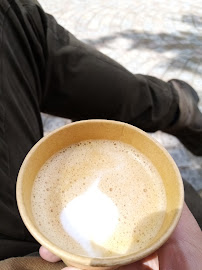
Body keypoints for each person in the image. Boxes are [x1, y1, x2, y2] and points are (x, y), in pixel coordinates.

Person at [0, 0, 201, 269]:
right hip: (30, 252)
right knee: (189, 206)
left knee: (18, 20)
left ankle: (174, 106)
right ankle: (175, 106)